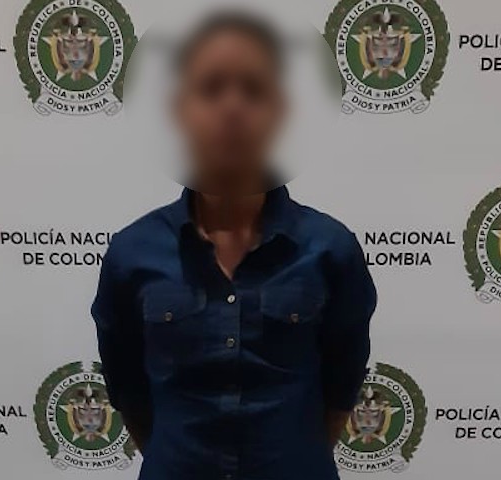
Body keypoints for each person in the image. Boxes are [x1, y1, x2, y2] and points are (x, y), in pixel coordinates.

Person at [91, 12, 377, 480]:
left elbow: (342, 385)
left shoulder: (330, 249)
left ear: (280, 111)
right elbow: (128, 390)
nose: (232, 108)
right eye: (211, 88)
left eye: (253, 90)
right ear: (180, 111)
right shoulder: (132, 253)